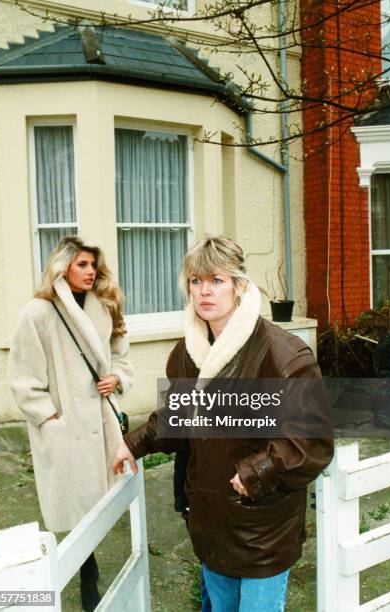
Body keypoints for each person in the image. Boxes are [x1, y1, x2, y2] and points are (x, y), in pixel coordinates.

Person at [113, 235, 333, 612]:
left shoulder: (284, 355)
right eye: (196, 281)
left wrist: (255, 472)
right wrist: (132, 444)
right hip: (211, 519)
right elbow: (178, 418)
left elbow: (310, 442)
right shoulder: (186, 353)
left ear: (239, 286)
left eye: (217, 280)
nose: (205, 291)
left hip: (263, 525)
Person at [8, 235, 134, 612]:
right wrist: (49, 415)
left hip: (100, 419)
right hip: (66, 424)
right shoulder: (37, 312)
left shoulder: (105, 306)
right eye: (82, 264)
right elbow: (21, 375)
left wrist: (118, 379)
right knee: (75, 507)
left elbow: (120, 357)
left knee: (101, 501)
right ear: (63, 266)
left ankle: (87, 565)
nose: (91, 271)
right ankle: (86, 571)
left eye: (93, 265)